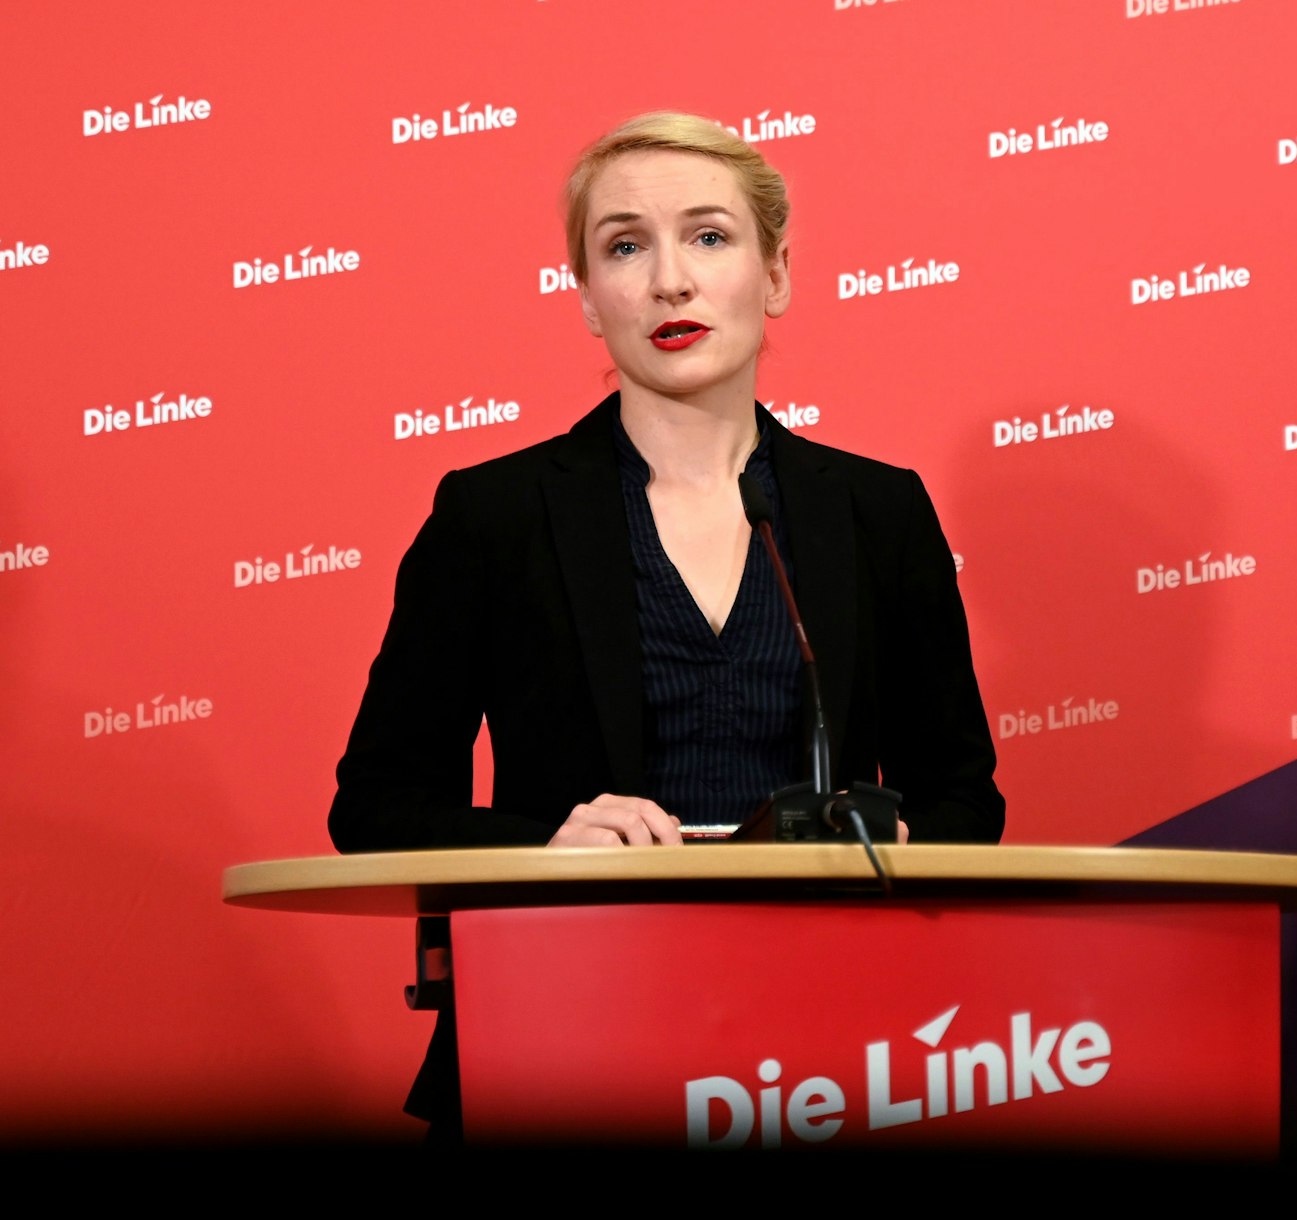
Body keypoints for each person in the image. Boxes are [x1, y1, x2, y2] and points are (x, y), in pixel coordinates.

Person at [327, 111, 1004, 1132]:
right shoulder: (493, 514)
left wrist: (897, 841)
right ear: (587, 297)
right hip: (559, 1031)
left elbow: (964, 797)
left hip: (824, 1052)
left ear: (774, 274)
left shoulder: (877, 511)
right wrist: (546, 845)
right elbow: (374, 805)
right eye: (624, 247)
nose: (669, 282)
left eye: (709, 236)